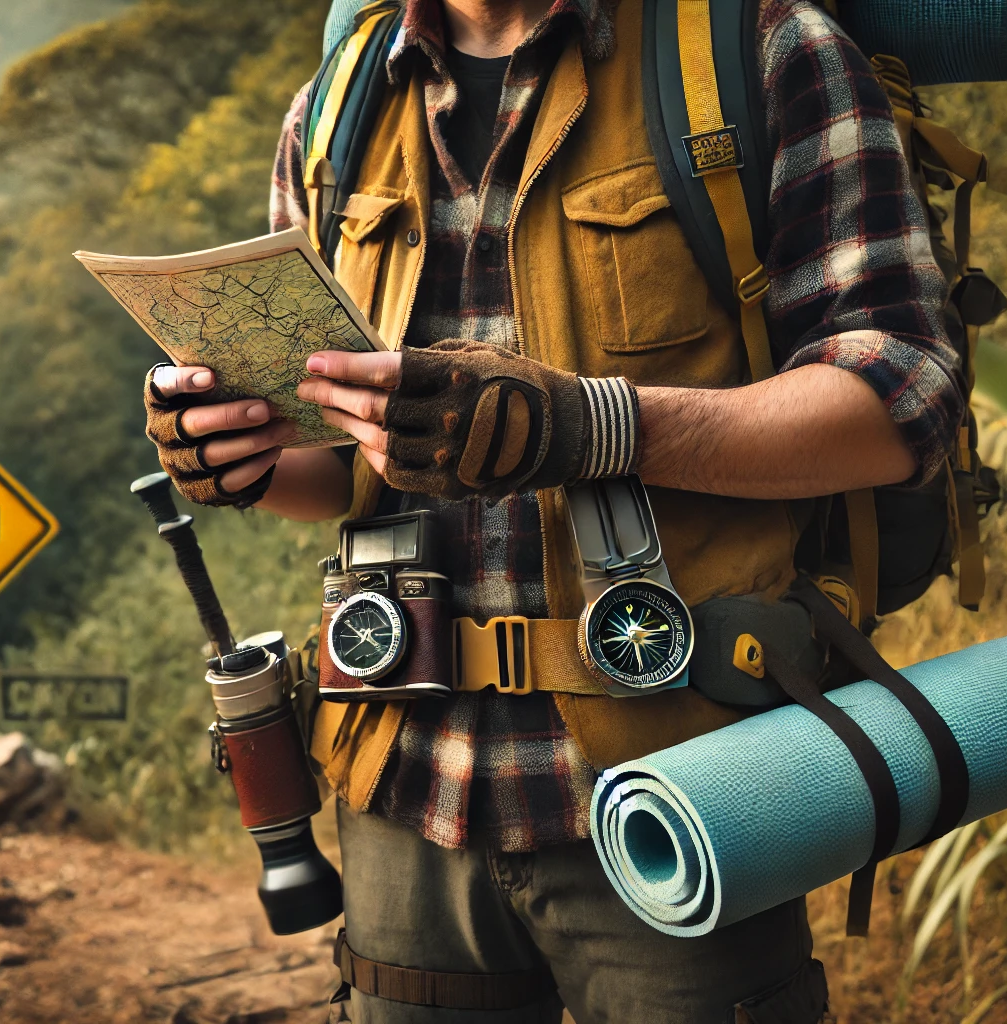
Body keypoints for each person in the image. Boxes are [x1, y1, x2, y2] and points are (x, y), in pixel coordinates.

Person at [143, 0, 961, 1019]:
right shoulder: (340, 101)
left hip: (680, 777)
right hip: (403, 780)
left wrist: (592, 426)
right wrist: (239, 454)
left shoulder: (756, 50)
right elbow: (341, 465)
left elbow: (900, 398)